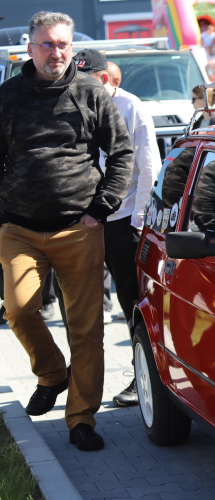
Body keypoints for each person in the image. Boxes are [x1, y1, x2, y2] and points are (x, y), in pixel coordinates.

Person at [0, 11, 133, 450]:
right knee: (18, 309)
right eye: (46, 44)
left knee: (86, 327)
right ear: (30, 48)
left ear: (71, 48)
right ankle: (53, 373)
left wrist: (101, 208)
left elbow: (121, 154)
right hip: (18, 226)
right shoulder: (9, 95)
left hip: (79, 227)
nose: (56, 52)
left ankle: (81, 420)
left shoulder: (90, 92)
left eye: (62, 45)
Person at [73, 49, 159, 407]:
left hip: (122, 221)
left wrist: (138, 223)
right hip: (84, 218)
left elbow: (148, 167)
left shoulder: (131, 107)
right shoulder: (76, 104)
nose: (75, 88)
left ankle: (143, 379)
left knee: (131, 301)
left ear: (105, 80)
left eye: (85, 82)